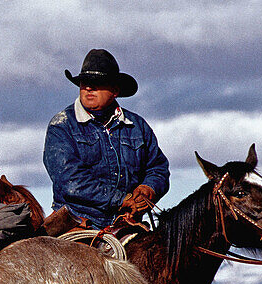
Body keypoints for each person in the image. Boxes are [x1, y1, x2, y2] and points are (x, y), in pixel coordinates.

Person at [43, 49, 169, 229]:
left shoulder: (137, 126)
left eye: (97, 83)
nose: (88, 88)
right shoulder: (62, 125)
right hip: (77, 222)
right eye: (84, 83)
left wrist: (149, 188)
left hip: (127, 222)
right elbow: (70, 180)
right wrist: (122, 199)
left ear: (115, 90)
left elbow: (158, 167)